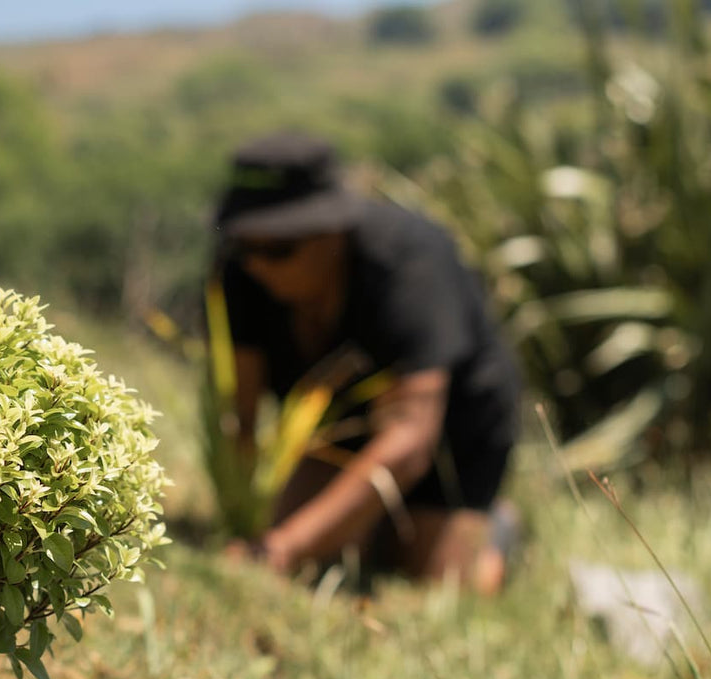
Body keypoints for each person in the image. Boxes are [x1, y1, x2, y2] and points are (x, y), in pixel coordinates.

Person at [212, 130, 520, 594]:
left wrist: (282, 547)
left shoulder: (409, 263)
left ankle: (493, 525)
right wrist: (248, 513)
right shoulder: (243, 273)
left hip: (453, 430)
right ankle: (377, 530)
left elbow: (411, 439)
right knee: (330, 545)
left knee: (447, 582)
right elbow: (241, 411)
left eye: (278, 249)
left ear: (331, 232)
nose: (259, 266)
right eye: (244, 247)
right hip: (343, 429)